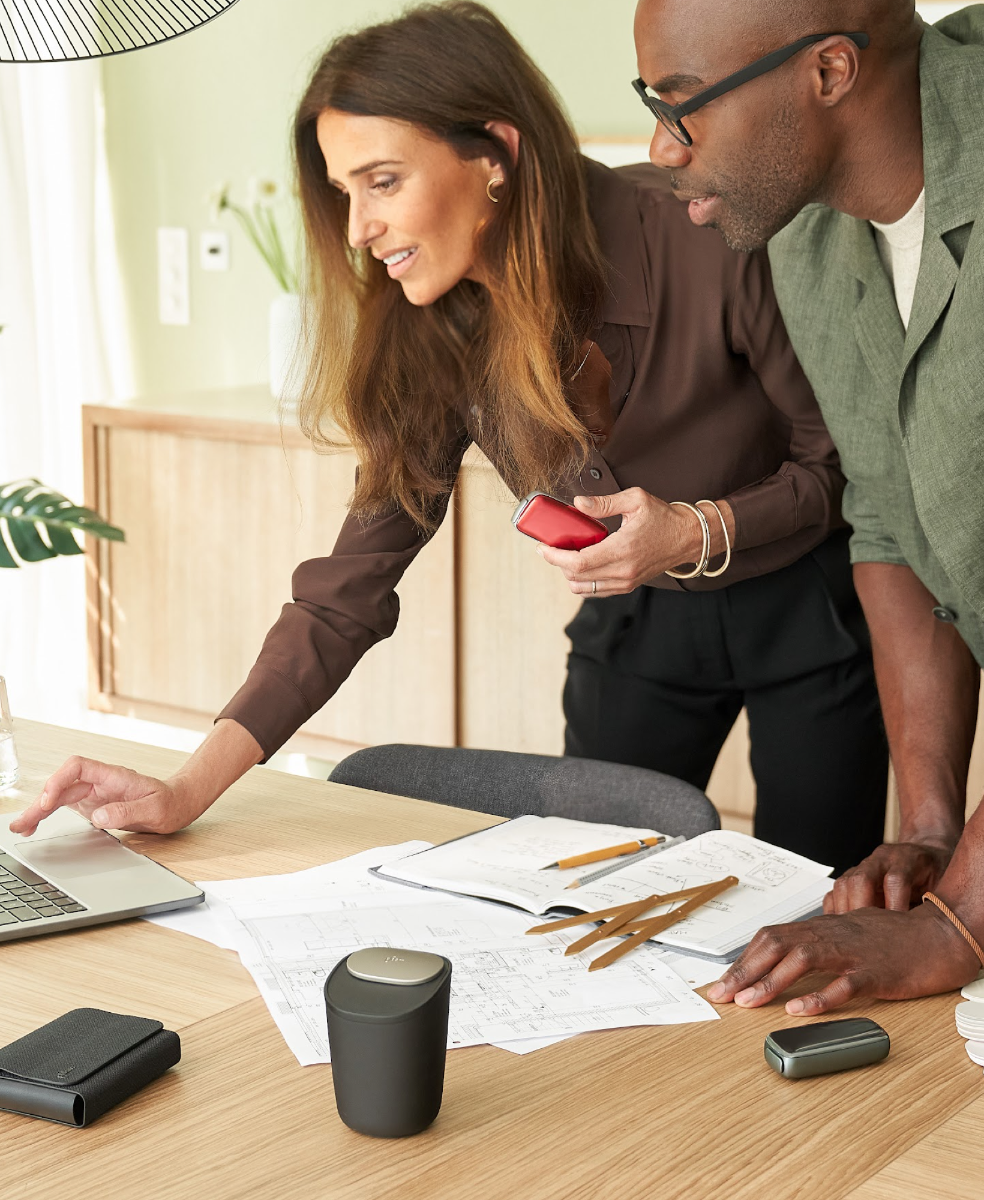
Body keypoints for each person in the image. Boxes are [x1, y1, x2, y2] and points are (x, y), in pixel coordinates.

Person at [11, 1, 888, 870]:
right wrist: (183, 789)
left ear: (496, 155)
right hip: (634, 630)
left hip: (810, 612)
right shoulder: (435, 331)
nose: (359, 229)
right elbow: (341, 595)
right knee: (596, 889)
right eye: (345, 191)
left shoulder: (705, 239)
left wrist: (698, 529)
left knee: (814, 903)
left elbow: (838, 463)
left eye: (383, 181)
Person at [630, 0, 984, 1012]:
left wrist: (959, 923)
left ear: (831, 71)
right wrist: (932, 830)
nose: (661, 148)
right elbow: (890, 517)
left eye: (684, 109)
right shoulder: (807, 233)